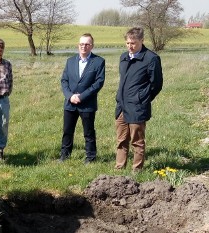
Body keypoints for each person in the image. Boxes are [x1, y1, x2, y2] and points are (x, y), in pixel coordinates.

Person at [115, 27, 163, 171]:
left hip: (137, 107)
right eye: (128, 43)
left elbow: (157, 84)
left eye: (133, 43)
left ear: (142, 41)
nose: (130, 46)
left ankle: (137, 170)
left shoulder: (151, 58)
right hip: (121, 106)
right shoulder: (123, 57)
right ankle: (119, 168)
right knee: (121, 140)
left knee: (137, 141)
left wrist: (142, 98)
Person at [59, 33, 106, 163]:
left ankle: (90, 157)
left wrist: (82, 96)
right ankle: (65, 155)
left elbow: (98, 83)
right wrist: (70, 96)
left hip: (87, 104)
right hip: (70, 103)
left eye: (87, 44)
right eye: (81, 44)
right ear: (78, 45)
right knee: (67, 131)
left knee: (89, 132)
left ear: (92, 46)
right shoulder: (70, 61)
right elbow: (64, 81)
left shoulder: (99, 62)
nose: (83, 47)